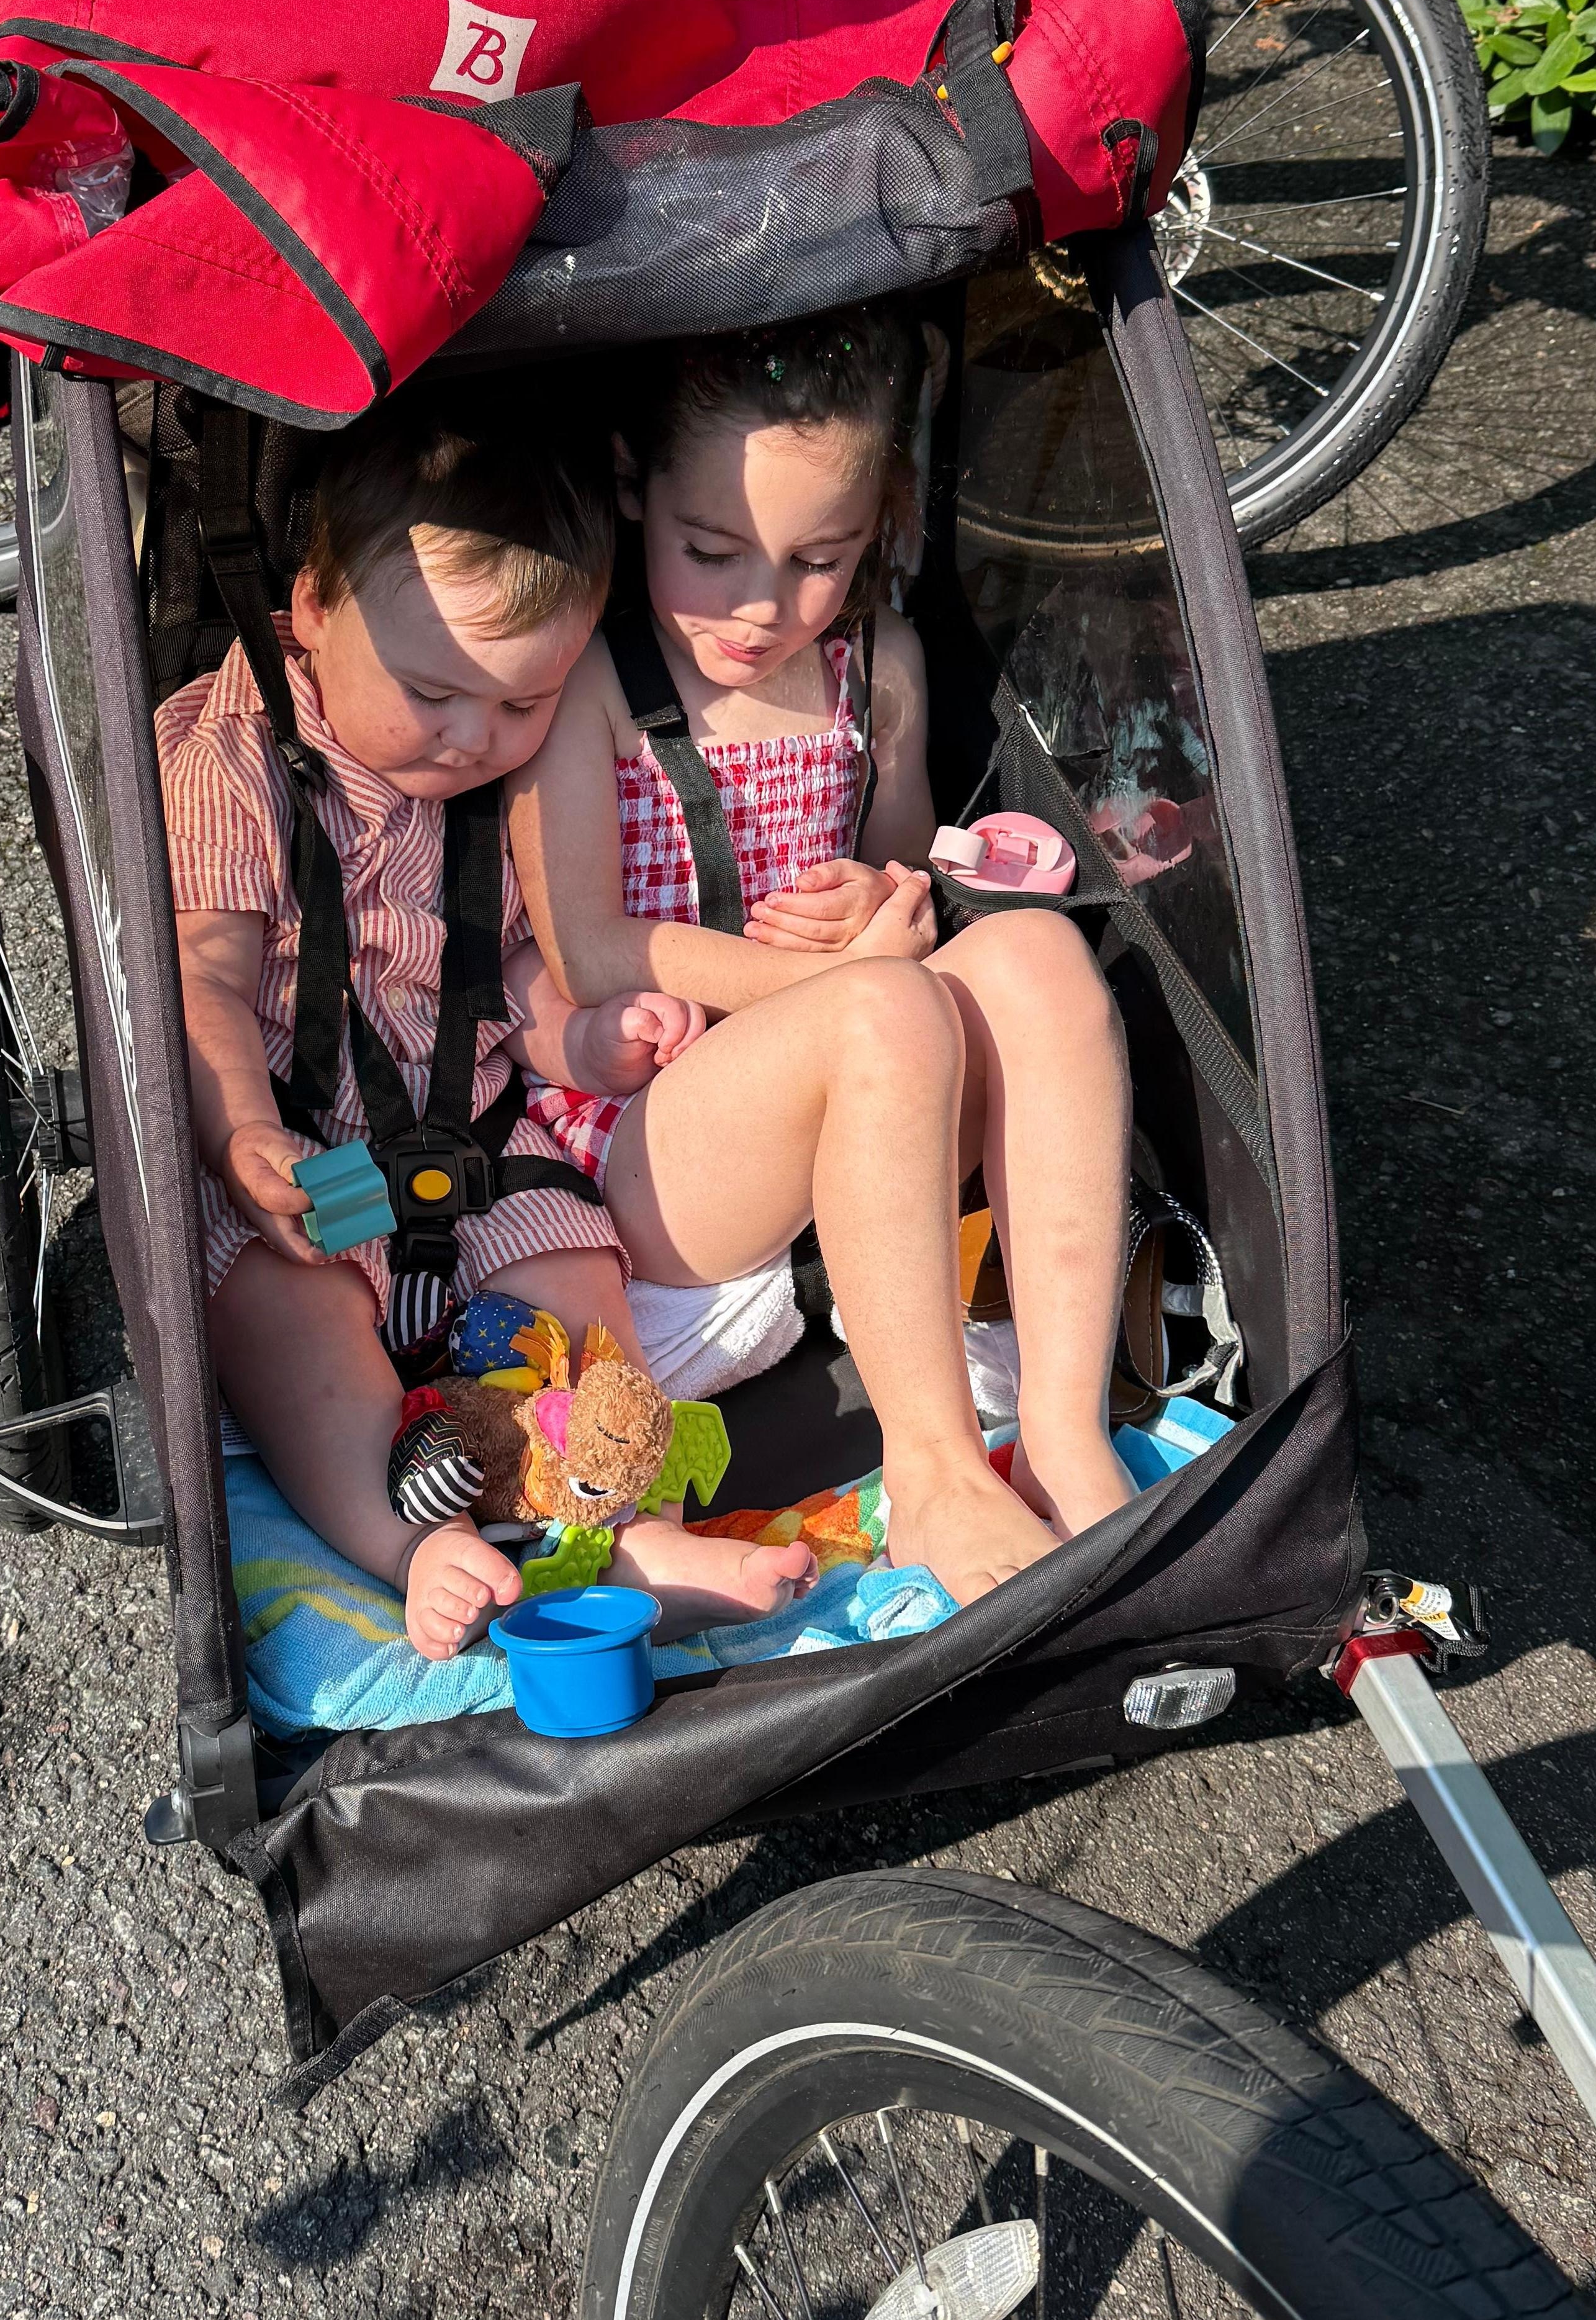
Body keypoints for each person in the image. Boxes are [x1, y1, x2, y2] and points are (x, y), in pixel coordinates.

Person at [161, 379, 817, 1663]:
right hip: (313, 1160)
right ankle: (407, 1538)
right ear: (308, 610)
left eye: (521, 707)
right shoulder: (233, 754)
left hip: (471, 1148)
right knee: (296, 1322)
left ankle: (632, 1530)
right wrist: (244, 1133)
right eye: (434, 693)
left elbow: (505, 977)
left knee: (581, 1289)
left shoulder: (501, 788)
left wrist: (581, 1038)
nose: (472, 739)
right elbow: (202, 976)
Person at [506, 306, 1137, 1605]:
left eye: (817, 560)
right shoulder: (596, 684)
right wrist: (844, 980)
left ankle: (1067, 1438)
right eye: (710, 549)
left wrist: (882, 901)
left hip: (866, 1103)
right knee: (887, 1017)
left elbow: (897, 866)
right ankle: (939, 1477)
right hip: (653, 1147)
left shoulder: (875, 669)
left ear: (876, 532)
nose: (758, 605)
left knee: (1034, 965)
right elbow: (589, 947)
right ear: (635, 489)